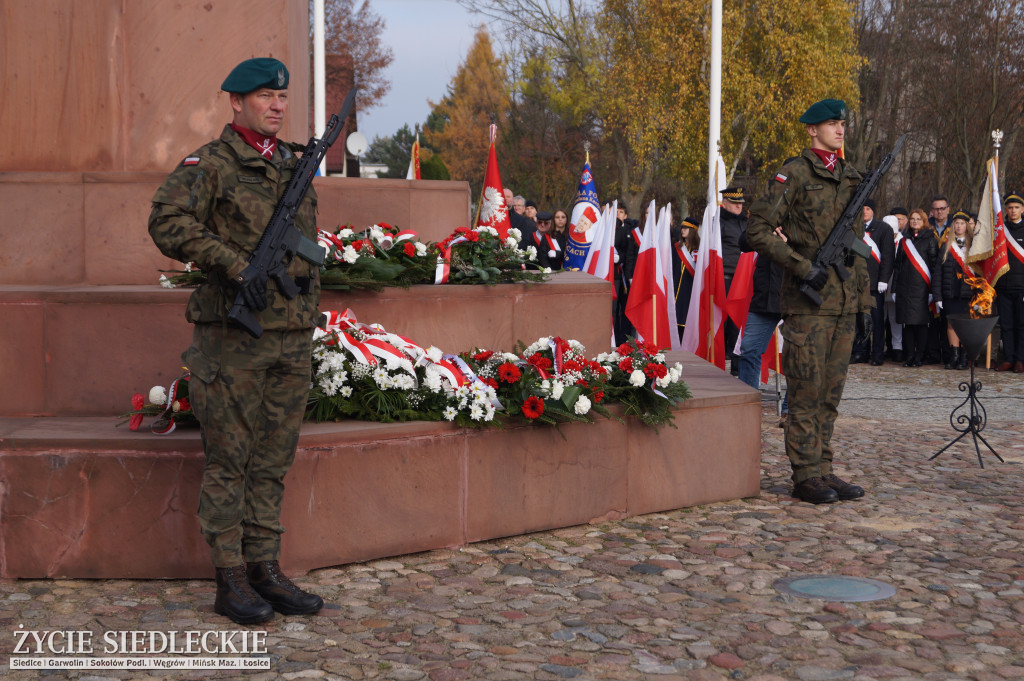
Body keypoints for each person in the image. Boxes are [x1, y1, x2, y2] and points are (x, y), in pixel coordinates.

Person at [148, 58, 324, 625]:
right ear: (236, 102)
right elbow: (166, 220)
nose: (276, 104)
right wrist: (233, 263)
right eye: (263, 96)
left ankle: (264, 569)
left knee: (273, 460)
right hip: (233, 338)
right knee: (231, 461)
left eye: (281, 95)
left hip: (290, 335)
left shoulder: (293, 163)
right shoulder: (214, 163)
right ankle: (229, 579)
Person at [747, 98, 872, 505]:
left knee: (831, 394)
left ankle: (823, 468)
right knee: (805, 390)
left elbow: (856, 248)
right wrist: (803, 267)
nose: (840, 129)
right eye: (832, 124)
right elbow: (758, 230)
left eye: (842, 124)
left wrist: (864, 303)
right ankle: (804, 475)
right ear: (811, 130)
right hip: (807, 302)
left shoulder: (850, 176)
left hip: (843, 303)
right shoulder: (794, 173)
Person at [851, 199, 895, 365]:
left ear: (873, 211)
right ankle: (860, 352)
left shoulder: (884, 229)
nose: (864, 212)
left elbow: (888, 256)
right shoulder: (854, 228)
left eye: (868, 208)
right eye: (862, 208)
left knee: (876, 320)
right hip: (857, 282)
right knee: (859, 319)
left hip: (876, 282)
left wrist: (884, 279)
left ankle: (877, 353)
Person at [893, 209, 939, 367]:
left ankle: (919, 356)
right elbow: (897, 267)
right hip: (905, 289)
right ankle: (909, 356)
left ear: (924, 221)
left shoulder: (931, 240)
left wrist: (933, 291)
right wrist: (894, 289)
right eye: (912, 219)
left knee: (921, 324)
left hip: (922, 289)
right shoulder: (904, 241)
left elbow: (934, 268)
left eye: (918, 219)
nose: (914, 222)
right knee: (907, 324)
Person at [932, 210, 974, 369]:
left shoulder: (974, 246)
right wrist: (938, 296)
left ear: (967, 226)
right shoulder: (946, 246)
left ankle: (964, 357)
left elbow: (980, 273)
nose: (959, 226)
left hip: (967, 294)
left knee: (964, 325)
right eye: (956, 223)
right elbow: (938, 273)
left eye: (962, 223)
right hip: (950, 293)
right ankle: (954, 355)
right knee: (951, 325)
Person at [720, 186, 748, 375]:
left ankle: (737, 365)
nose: (739, 206)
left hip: (743, 279)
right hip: (725, 278)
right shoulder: (717, 222)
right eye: (735, 203)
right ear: (724, 203)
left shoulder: (746, 223)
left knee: (739, 322)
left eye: (740, 203)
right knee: (723, 322)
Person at [995, 192, 1024, 372]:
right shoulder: (1000, 230)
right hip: (1003, 285)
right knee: (1006, 324)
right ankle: (1008, 358)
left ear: (1022, 209)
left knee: (1022, 324)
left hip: (1022, 287)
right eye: (1010, 208)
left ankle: (1020, 359)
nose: (1013, 211)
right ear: (1005, 210)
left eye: (1016, 208)